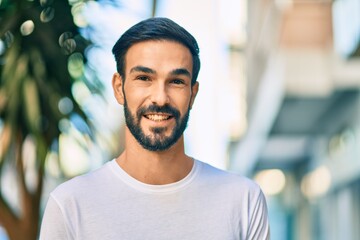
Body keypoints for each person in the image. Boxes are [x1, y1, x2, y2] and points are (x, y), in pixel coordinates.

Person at [39, 17, 270, 240]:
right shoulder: (70, 204)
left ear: (193, 94)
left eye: (176, 81)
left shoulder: (243, 200)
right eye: (144, 78)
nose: (160, 98)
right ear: (119, 88)